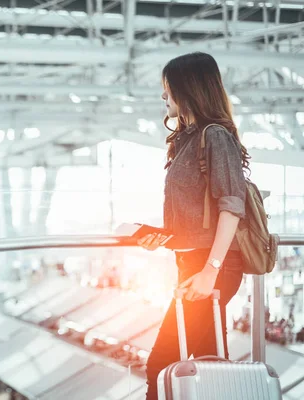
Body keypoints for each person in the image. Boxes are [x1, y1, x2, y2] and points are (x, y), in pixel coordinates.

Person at [137, 52, 249, 399]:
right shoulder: (187, 138)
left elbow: (231, 207)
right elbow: (194, 212)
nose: (163, 97)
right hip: (190, 262)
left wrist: (210, 271)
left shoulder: (215, 136)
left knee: (160, 366)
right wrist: (161, 237)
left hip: (213, 265)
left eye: (167, 88)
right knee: (211, 365)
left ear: (189, 89)